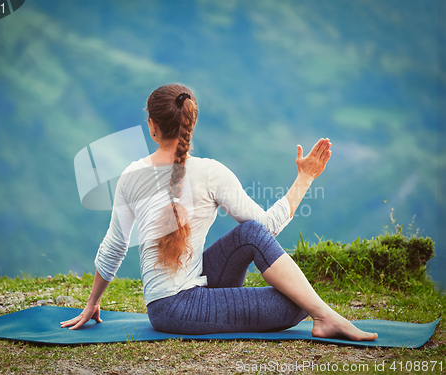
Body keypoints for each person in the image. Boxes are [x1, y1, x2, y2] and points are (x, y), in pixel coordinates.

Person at [61, 83, 377, 341]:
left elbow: (114, 246)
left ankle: (323, 315)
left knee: (252, 237)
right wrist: (305, 179)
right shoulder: (211, 172)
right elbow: (270, 225)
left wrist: (93, 303)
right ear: (191, 123)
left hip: (178, 296)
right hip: (175, 309)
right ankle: (324, 317)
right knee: (296, 304)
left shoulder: (130, 175)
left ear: (152, 126)